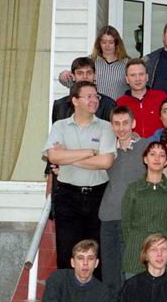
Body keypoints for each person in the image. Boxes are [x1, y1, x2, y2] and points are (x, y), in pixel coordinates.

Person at [44, 82, 116, 272]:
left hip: (98, 197)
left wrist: (68, 157)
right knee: (66, 252)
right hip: (67, 196)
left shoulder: (106, 127)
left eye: (96, 96)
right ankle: (68, 291)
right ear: (75, 100)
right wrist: (89, 152)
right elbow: (53, 156)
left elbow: (106, 162)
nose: (94, 100)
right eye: (88, 96)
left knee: (96, 252)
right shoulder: (60, 126)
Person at [98, 106, 144, 301]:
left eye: (125, 123)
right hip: (108, 217)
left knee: (131, 272)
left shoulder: (146, 148)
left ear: (133, 123)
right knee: (110, 272)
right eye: (116, 124)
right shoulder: (106, 151)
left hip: (134, 219)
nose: (121, 128)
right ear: (111, 126)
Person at [120, 141, 167, 277]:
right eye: (152, 154)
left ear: (166, 162)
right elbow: (125, 223)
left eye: (162, 155)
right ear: (145, 159)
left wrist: (163, 244)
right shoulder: (133, 189)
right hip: (137, 251)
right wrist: (136, 242)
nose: (157, 158)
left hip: (164, 252)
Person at [58, 26, 129, 100]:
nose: (107, 46)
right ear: (99, 43)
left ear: (117, 43)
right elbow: (70, 81)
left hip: (118, 106)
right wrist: (64, 75)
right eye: (104, 42)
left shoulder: (126, 64)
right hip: (92, 105)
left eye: (111, 42)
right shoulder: (90, 61)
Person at [51, 57, 116, 123]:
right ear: (73, 76)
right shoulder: (60, 106)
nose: (85, 77)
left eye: (89, 73)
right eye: (80, 73)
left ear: (94, 75)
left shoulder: (108, 105)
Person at [116, 59, 167, 138]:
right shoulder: (120, 103)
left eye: (141, 74)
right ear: (127, 79)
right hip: (132, 145)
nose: (137, 79)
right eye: (133, 75)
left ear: (147, 77)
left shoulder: (162, 97)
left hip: (159, 144)